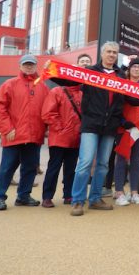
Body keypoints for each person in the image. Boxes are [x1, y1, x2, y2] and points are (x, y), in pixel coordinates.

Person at [70, 41, 125, 216]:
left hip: (110, 126)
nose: (111, 55)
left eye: (114, 52)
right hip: (91, 124)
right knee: (85, 162)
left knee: (102, 164)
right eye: (109, 51)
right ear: (102, 54)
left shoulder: (121, 75)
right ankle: (77, 200)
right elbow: (69, 82)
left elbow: (126, 99)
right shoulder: (90, 72)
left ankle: (94, 198)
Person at [0, 54, 49, 211]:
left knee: (30, 168)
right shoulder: (9, 84)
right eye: (26, 64)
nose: (29, 67)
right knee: (7, 168)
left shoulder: (42, 87)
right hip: (14, 135)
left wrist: (45, 129)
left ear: (36, 66)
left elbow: (47, 110)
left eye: (31, 64)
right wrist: (7, 128)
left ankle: (23, 196)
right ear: (20, 66)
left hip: (34, 135)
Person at [40, 53, 91, 208]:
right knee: (54, 168)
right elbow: (48, 114)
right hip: (59, 138)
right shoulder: (57, 91)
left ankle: (68, 195)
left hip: (75, 138)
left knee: (70, 169)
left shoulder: (83, 93)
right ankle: (47, 196)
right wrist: (61, 129)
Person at [114, 57, 139, 206]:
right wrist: (122, 121)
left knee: (136, 160)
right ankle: (119, 192)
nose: (136, 69)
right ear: (129, 69)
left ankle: (134, 192)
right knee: (122, 159)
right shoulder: (122, 84)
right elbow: (116, 105)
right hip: (125, 127)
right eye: (134, 67)